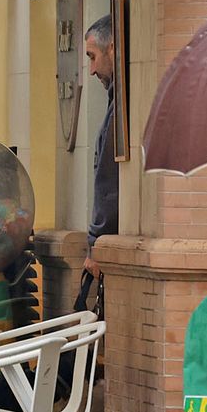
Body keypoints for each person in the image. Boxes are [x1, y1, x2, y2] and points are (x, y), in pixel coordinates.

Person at [83, 16, 118, 281]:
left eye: (92, 57)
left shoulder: (120, 110)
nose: (92, 69)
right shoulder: (117, 103)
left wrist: (96, 241)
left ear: (113, 49)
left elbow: (108, 182)